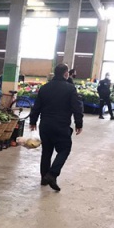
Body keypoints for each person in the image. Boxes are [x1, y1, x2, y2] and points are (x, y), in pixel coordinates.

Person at [29, 63, 83, 192]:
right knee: (64, 149)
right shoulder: (70, 88)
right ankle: (52, 174)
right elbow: (76, 107)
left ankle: (44, 178)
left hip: (45, 125)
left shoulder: (45, 88)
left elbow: (37, 106)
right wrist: (79, 123)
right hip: (61, 125)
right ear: (66, 73)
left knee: (46, 151)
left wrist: (33, 121)